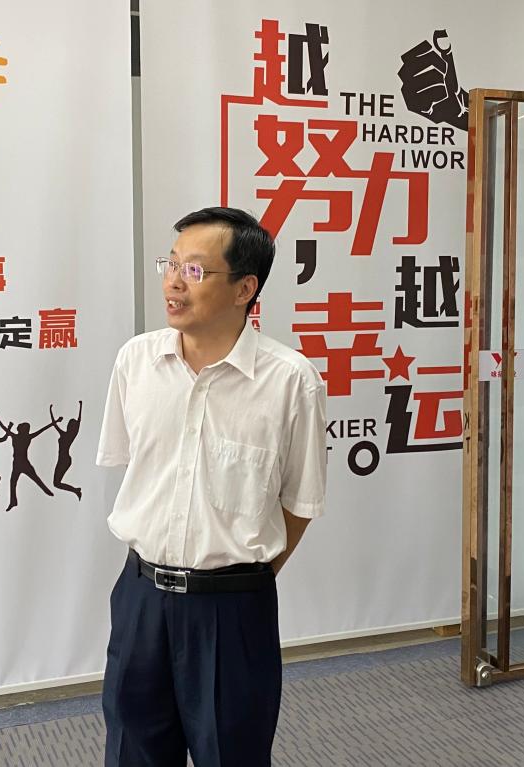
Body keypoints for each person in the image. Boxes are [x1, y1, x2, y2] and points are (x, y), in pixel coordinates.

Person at [96, 207, 326, 767]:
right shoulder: (136, 361)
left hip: (232, 609)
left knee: (232, 754)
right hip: (141, 598)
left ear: (245, 288)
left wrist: (239, 579)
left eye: (195, 270)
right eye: (171, 264)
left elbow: (299, 504)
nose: (174, 282)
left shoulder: (289, 380)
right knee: (132, 750)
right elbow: (136, 470)